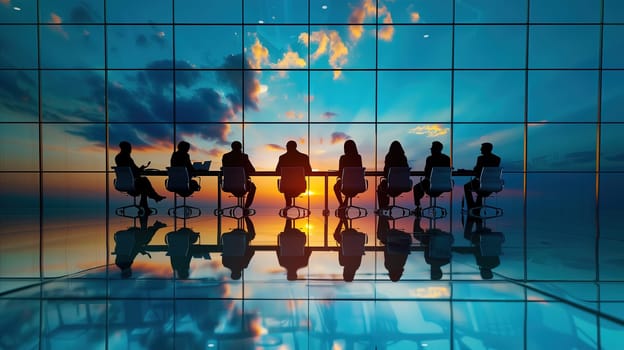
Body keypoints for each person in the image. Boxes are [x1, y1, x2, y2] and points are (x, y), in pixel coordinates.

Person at [114, 141, 166, 210]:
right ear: (127, 148)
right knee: (144, 181)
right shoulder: (128, 158)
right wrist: (141, 169)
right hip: (132, 183)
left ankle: (147, 205)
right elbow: (135, 171)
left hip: (122, 184)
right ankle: (153, 197)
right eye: (130, 148)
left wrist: (138, 169)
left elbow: (131, 170)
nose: (130, 150)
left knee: (144, 186)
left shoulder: (117, 158)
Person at [413, 141, 451, 210]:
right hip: (443, 185)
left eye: (432, 148)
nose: (431, 150)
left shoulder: (429, 159)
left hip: (430, 183)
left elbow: (426, 172)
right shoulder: (447, 158)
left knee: (416, 188)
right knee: (422, 185)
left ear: (435, 149)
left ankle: (418, 207)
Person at [464, 142, 501, 209]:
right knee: (479, 188)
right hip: (492, 184)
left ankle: (471, 206)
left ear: (485, 149)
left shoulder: (480, 158)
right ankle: (475, 208)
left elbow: (477, 170)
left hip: (480, 182)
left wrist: (466, 171)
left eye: (482, 148)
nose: (480, 150)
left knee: (466, 186)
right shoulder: (497, 158)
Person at [275, 140, 313, 207]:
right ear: (296, 147)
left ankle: (287, 206)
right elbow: (309, 171)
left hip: (285, 187)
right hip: (300, 186)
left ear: (287, 147)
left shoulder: (283, 158)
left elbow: (277, 171)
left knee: (287, 186)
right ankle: (288, 206)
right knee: (289, 185)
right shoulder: (304, 157)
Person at [222, 141, 257, 209]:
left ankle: (220, 208)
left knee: (250, 186)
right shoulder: (244, 156)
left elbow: (224, 168)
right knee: (253, 187)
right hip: (243, 185)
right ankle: (246, 208)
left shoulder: (226, 156)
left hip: (228, 185)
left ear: (232, 147)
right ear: (241, 147)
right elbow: (252, 170)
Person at [377, 140, 409, 208]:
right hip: (402, 185)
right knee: (384, 185)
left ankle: (383, 207)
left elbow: (385, 174)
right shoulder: (403, 158)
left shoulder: (388, 157)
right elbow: (407, 171)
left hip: (390, 186)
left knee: (381, 186)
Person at [334, 139, 363, 208]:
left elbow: (341, 172)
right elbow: (360, 170)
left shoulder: (343, 158)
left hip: (346, 185)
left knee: (337, 186)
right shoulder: (358, 157)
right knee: (348, 182)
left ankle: (341, 204)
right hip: (357, 185)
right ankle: (345, 201)